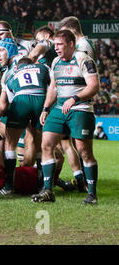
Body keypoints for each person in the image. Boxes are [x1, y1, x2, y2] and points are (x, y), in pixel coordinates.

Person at [37, 29, 100, 204]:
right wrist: (45, 108)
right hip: (59, 109)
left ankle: (91, 194)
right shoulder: (56, 61)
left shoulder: (84, 59)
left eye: (60, 44)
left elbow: (94, 86)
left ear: (71, 44)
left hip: (80, 109)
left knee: (84, 151)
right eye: (55, 44)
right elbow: (53, 88)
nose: (56, 48)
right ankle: (47, 191)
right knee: (46, 144)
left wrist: (75, 98)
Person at [0, 57, 50, 195]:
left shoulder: (10, 74)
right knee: (41, 146)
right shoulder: (43, 67)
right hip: (41, 100)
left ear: (17, 66)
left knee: (10, 145)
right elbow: (53, 87)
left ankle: (8, 187)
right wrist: (47, 109)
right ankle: (43, 187)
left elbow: (2, 105)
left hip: (20, 101)